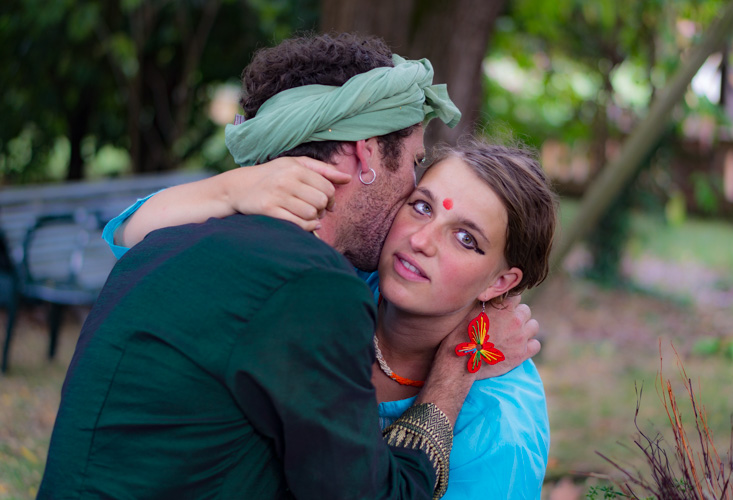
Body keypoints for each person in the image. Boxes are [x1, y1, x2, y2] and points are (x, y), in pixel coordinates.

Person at [38, 33, 540, 499]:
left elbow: (128, 229)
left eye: (465, 238)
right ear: (366, 154)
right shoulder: (313, 288)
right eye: (413, 166)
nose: (415, 208)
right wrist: (456, 367)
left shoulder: (168, 242)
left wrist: (229, 189)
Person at [105, 138, 557, 499]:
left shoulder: (502, 428)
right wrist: (234, 188)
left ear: (499, 283)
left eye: (465, 238)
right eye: (421, 206)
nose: (422, 240)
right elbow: (130, 234)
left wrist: (456, 374)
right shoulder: (339, 282)